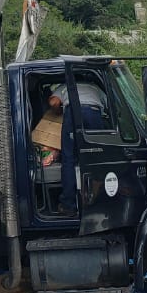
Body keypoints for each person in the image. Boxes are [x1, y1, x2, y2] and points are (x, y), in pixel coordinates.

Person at [48, 81, 107, 215]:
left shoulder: (64, 86)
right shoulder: (95, 86)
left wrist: (57, 113)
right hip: (94, 113)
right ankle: (98, 202)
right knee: (98, 158)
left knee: (68, 159)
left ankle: (68, 205)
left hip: (73, 112)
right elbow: (109, 106)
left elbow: (54, 103)